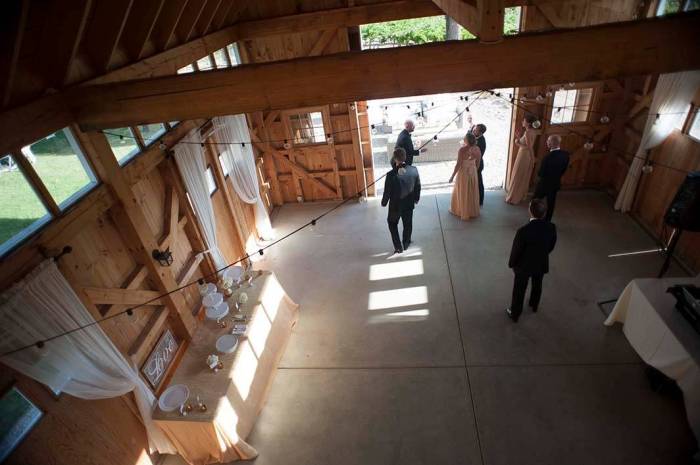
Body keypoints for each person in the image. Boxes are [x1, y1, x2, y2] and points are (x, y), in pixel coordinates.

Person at [506, 199, 557, 323]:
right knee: (537, 284)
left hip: (524, 266)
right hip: (541, 263)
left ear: (530, 211)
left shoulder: (523, 231)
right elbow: (551, 245)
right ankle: (534, 305)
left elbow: (516, 250)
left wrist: (512, 263)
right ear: (544, 213)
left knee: (519, 290)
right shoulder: (551, 227)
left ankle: (515, 313)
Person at [381, 147, 421, 253]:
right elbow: (418, 186)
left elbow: (387, 192)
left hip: (395, 206)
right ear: (405, 157)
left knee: (392, 224)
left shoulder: (390, 175)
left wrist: (384, 203)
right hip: (408, 204)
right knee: (408, 224)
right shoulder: (414, 170)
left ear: (395, 159)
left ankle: (398, 247)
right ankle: (406, 243)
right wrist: (416, 198)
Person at [534, 135, 570, 222]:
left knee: (534, 200)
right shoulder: (566, 155)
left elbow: (540, 173)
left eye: (548, 141)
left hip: (544, 184)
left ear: (551, 143)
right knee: (551, 203)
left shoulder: (547, 158)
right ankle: (548, 220)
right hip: (555, 183)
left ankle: (534, 217)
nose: (546, 142)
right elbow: (564, 170)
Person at [505, 114, 537, 205]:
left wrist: (517, 142)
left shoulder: (527, 132)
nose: (522, 122)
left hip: (524, 155)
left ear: (528, 123)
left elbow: (528, 147)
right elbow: (528, 144)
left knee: (518, 175)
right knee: (522, 175)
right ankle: (519, 195)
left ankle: (513, 197)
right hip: (525, 154)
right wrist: (519, 138)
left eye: (524, 121)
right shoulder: (533, 131)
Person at [448, 133, 482, 220]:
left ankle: (462, 210)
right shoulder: (477, 149)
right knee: (471, 190)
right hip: (473, 171)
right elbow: (478, 163)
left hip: (463, 172)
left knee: (463, 190)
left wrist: (452, 176)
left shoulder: (462, 150)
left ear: (466, 140)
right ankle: (472, 211)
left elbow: (458, 164)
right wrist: (474, 170)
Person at [468, 120, 487, 206]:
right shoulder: (474, 134)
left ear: (480, 133)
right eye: (474, 129)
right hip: (470, 163)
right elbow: (469, 134)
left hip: (477, 164)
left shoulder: (481, 142)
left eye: (476, 130)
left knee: (479, 182)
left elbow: (478, 156)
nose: (474, 130)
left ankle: (480, 200)